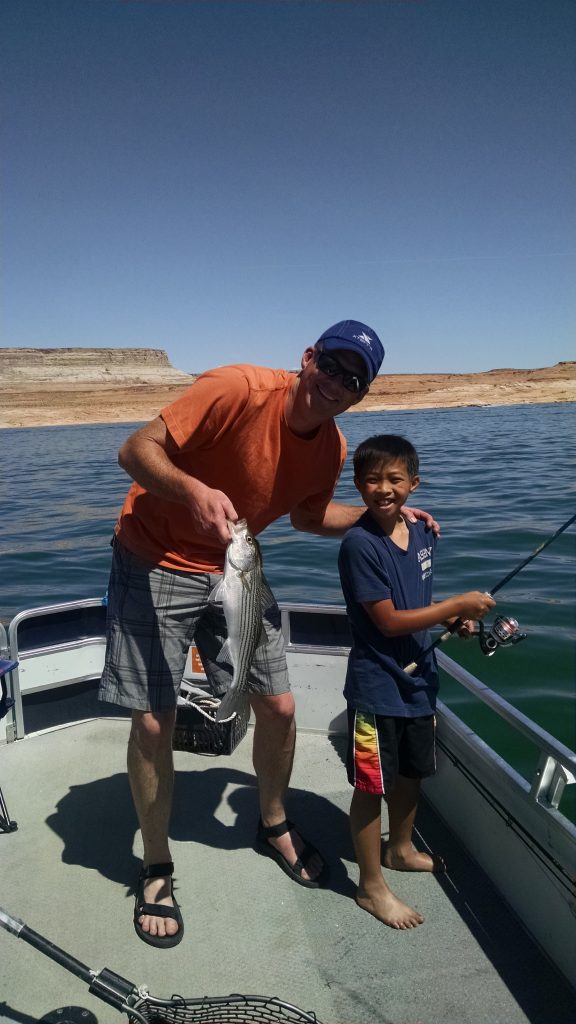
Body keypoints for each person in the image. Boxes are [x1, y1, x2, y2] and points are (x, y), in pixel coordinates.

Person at [98, 320, 436, 948]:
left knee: (279, 704)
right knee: (152, 722)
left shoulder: (331, 447)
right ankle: (156, 863)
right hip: (153, 559)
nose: (338, 383)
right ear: (309, 358)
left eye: (354, 380)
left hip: (236, 566)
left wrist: (380, 511)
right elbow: (135, 451)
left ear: (362, 395)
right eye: (332, 365)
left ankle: (273, 822)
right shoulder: (235, 389)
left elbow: (309, 517)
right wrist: (192, 488)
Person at [338, 434, 495, 930]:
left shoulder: (422, 532)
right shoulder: (359, 546)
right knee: (370, 786)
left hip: (419, 682)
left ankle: (400, 849)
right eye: (371, 480)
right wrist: (455, 606)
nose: (383, 489)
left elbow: (415, 603)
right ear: (358, 485)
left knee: (410, 774)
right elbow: (386, 621)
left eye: (394, 479)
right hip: (375, 686)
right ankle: (370, 887)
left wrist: (452, 622)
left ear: (414, 484)